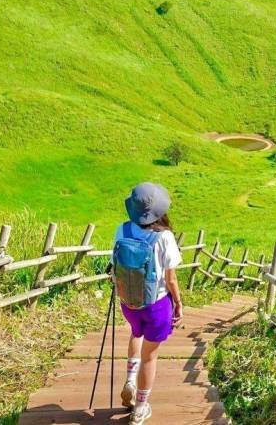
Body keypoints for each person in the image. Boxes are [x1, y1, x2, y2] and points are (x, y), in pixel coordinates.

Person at [111, 182, 183, 424]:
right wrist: (179, 303)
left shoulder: (122, 230)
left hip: (128, 302)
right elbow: (170, 279)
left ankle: (130, 380)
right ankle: (140, 408)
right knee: (150, 357)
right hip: (156, 305)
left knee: (135, 332)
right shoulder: (164, 237)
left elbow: (115, 266)